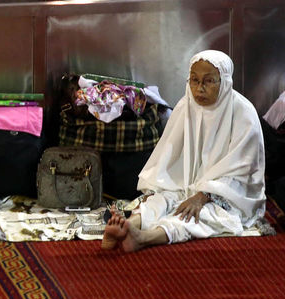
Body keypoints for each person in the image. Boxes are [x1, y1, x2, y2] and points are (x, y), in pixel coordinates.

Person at [102, 50, 266, 252]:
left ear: (224, 81)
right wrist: (166, 188)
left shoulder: (243, 112)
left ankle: (144, 238)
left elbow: (242, 170)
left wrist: (203, 195)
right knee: (162, 200)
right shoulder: (185, 105)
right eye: (194, 80)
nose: (199, 88)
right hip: (187, 184)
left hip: (228, 192)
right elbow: (168, 156)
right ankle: (128, 225)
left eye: (208, 81)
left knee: (203, 215)